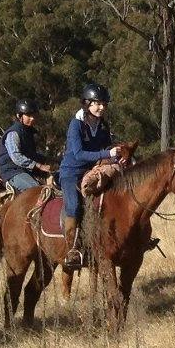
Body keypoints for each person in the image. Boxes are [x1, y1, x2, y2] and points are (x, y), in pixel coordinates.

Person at [58, 82, 126, 269]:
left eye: (104, 103)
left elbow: (106, 147)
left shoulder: (103, 125)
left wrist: (117, 157)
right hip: (71, 172)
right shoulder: (76, 125)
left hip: (94, 171)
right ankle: (72, 250)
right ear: (87, 103)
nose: (101, 107)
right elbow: (78, 153)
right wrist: (107, 155)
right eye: (97, 103)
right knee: (73, 205)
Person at [0, 97, 54, 192]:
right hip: (12, 172)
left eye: (34, 115)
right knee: (37, 190)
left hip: (25, 170)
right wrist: (40, 166)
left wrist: (49, 160)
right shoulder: (14, 133)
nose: (32, 118)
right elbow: (16, 156)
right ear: (19, 116)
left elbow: (30, 154)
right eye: (29, 115)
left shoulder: (28, 132)